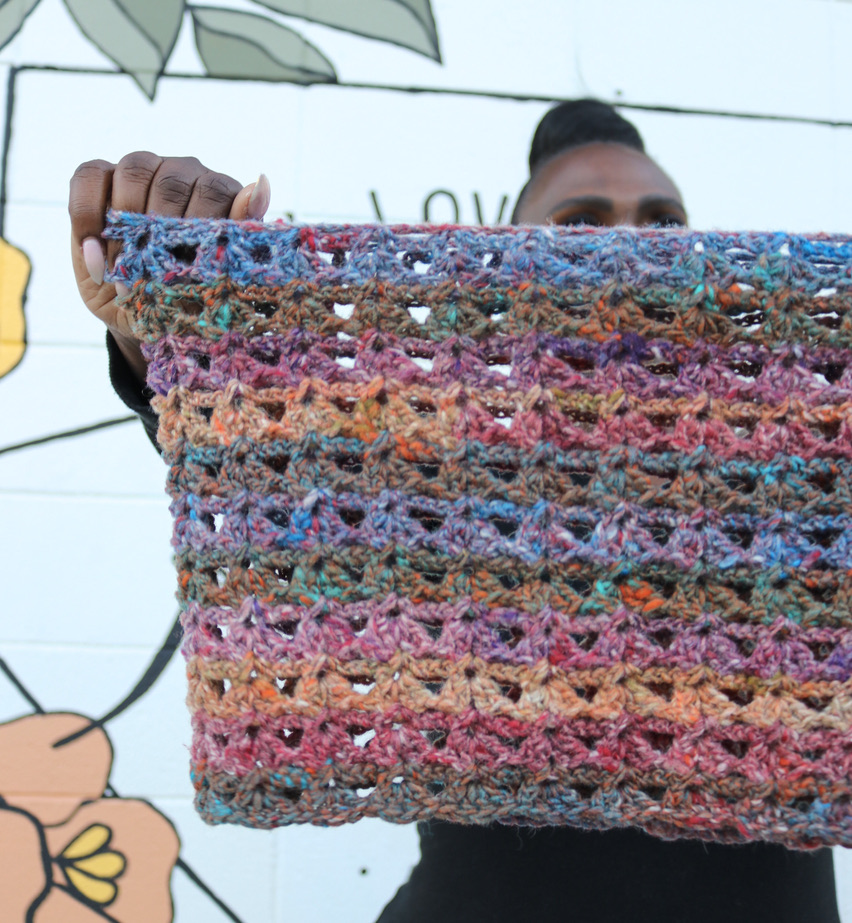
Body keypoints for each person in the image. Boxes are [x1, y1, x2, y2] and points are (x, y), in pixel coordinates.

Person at [68, 99, 843, 923]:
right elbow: (275, 476)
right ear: (504, 271)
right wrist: (183, 331)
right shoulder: (433, 482)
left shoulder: (807, 476)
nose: (629, 251)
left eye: (664, 223)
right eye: (580, 225)